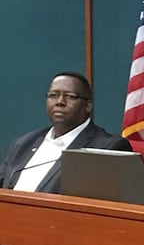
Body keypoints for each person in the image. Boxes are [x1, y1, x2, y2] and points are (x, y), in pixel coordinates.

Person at [0, 72, 132, 193]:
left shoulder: (107, 148)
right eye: (53, 95)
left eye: (69, 96)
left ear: (88, 106)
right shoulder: (24, 143)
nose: (60, 102)